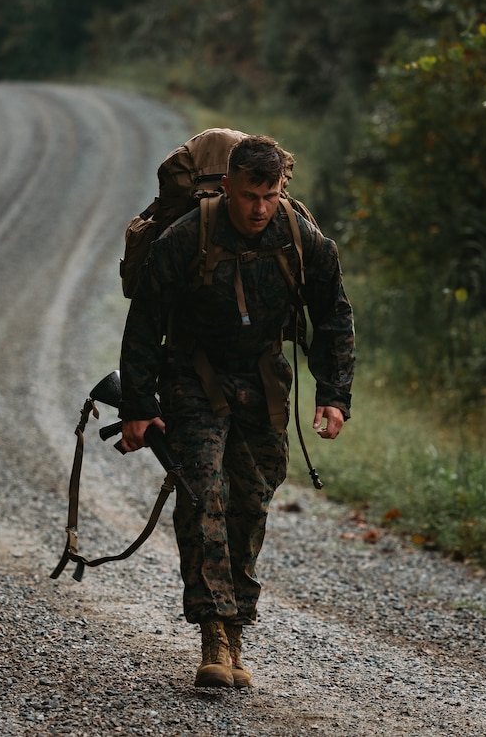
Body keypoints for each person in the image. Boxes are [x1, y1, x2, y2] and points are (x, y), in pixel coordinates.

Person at [118, 135, 355, 689]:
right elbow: (145, 321)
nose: (259, 208)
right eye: (249, 195)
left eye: (270, 195)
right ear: (227, 187)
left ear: (281, 190)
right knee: (204, 496)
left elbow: (335, 315)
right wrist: (138, 404)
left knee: (250, 504)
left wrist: (333, 394)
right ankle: (213, 635)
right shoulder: (187, 236)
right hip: (193, 379)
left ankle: (237, 627)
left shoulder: (301, 239)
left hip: (263, 383)